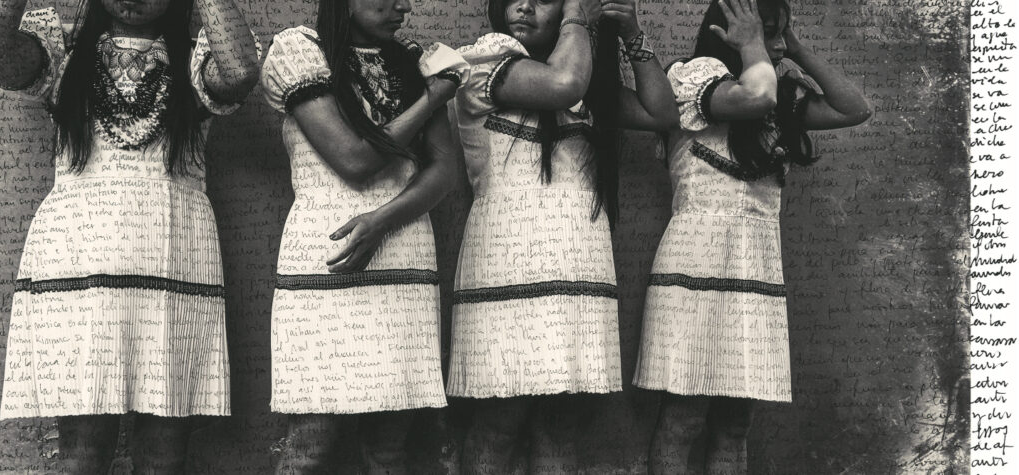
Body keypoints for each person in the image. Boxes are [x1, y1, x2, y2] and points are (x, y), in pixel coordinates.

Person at [0, 0, 260, 472]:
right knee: (81, 454)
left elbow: (241, 71)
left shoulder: (195, 54)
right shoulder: (64, 49)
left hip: (173, 255)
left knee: (164, 456)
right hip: (80, 258)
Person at [631, 0, 872, 473]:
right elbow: (752, 98)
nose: (775, 45)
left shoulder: (781, 90)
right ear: (727, 33)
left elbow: (855, 108)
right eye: (765, 32)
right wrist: (753, 48)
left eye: (780, 35)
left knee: (736, 423)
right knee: (683, 418)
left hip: (757, 267)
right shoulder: (690, 77)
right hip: (697, 260)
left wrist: (794, 47)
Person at [446, 0, 678, 472]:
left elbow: (663, 113)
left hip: (579, 269)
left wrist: (631, 33)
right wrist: (576, 13)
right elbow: (561, 84)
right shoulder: (487, 57)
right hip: (506, 268)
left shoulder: (587, 81)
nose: (525, 6)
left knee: (561, 426)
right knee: (498, 421)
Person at [259, 0, 465, 472]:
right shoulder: (298, 51)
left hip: (404, 259)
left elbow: (443, 171)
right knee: (308, 445)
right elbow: (354, 161)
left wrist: (382, 221)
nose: (403, 6)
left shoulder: (410, 63)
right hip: (328, 259)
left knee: (389, 449)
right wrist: (432, 98)